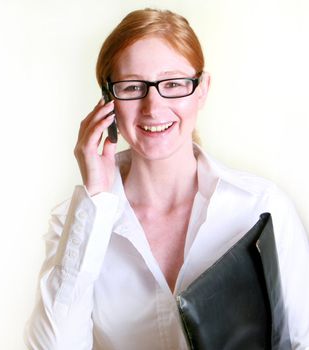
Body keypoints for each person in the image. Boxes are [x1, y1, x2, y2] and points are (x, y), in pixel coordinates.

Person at [24, 8, 309, 350]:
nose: (153, 107)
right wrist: (96, 199)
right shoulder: (77, 222)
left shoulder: (261, 207)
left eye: (173, 84)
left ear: (201, 90)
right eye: (132, 87)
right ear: (108, 101)